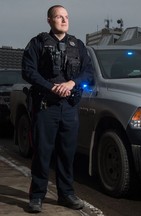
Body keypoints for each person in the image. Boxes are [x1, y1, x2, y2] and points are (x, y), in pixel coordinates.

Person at [22, 5, 93, 213]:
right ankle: (37, 196)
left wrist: (71, 84)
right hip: (46, 106)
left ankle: (66, 194)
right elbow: (28, 71)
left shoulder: (78, 45)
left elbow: (88, 73)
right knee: (42, 153)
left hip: (69, 107)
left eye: (66, 17)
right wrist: (51, 86)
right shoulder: (37, 43)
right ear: (49, 20)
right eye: (59, 17)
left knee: (67, 153)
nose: (64, 20)